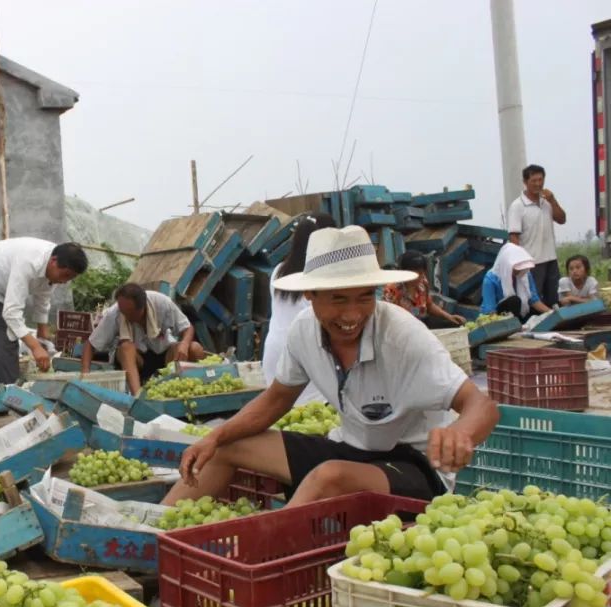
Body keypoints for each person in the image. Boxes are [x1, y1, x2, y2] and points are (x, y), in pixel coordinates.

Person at [163, 226, 499, 509]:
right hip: (352, 450)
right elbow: (277, 399)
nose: (352, 315)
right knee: (224, 447)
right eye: (338, 299)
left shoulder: (401, 335)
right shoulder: (303, 330)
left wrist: (460, 433)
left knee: (329, 477)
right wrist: (214, 436)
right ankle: (154, 537)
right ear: (311, 294)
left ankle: (259, 559)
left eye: (364, 297)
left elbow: (480, 405)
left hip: (414, 467)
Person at [0, 238, 88, 383]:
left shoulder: (57, 264)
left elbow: (44, 295)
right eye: (65, 276)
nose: (65, 281)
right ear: (53, 261)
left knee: (8, 339)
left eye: (71, 278)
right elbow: (11, 313)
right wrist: (35, 347)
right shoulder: (29, 262)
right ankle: (9, 393)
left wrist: (42, 328)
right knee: (7, 339)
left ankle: (0, 381)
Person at [262, 213, 336, 403]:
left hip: (274, 348)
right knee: (312, 409)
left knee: (279, 407)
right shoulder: (319, 275)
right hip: (303, 351)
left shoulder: (278, 271)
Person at [81, 283, 205, 394]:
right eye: (123, 311)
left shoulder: (161, 302)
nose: (125, 315)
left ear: (142, 307)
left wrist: (184, 343)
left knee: (195, 348)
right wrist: (85, 373)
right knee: (125, 347)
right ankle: (138, 396)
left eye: (130, 313)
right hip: (136, 361)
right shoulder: (116, 312)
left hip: (164, 356)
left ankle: (181, 392)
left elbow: (187, 328)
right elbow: (91, 344)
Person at [507, 164, 566, 307]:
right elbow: (514, 236)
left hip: (550, 258)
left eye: (540, 180)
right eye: (534, 181)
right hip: (531, 262)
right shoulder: (517, 206)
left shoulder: (547, 202)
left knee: (553, 299)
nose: (538, 184)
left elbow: (562, 219)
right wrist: (517, 262)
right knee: (534, 300)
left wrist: (552, 200)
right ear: (525, 182)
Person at [383, 251, 466, 328]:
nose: (420, 277)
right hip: (402, 327)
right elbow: (388, 317)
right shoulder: (392, 289)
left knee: (455, 324)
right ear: (404, 272)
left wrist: (449, 316)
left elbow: (429, 305)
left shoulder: (423, 282)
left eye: (422, 273)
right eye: (415, 273)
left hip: (422, 322)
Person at [480, 243, 553, 321]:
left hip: (518, 313)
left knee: (540, 312)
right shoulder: (490, 279)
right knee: (514, 301)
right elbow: (490, 311)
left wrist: (552, 313)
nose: (519, 271)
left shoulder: (525, 274)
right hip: (497, 316)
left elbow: (534, 300)